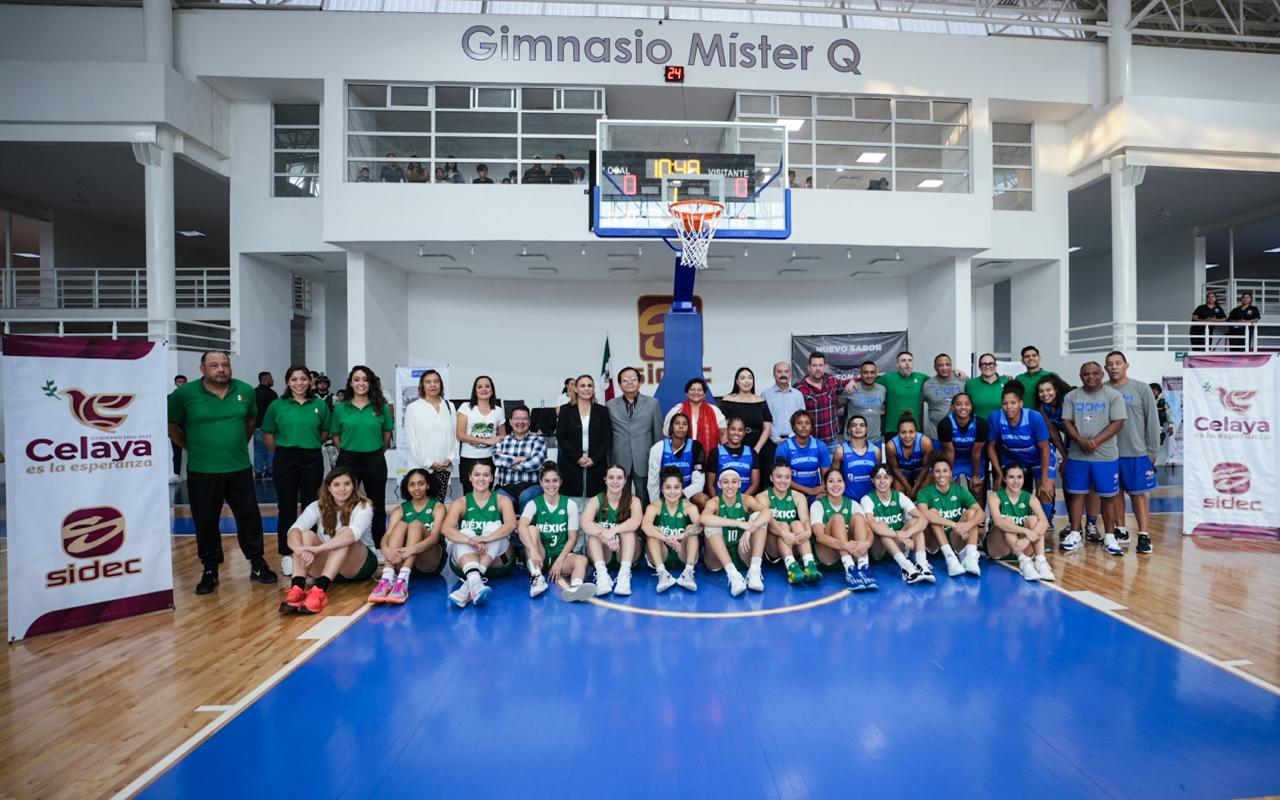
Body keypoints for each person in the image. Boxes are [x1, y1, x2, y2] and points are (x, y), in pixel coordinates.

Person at [168, 350, 276, 594]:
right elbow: (172, 427)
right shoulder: (184, 394)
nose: (221, 369)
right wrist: (190, 446)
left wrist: (237, 445)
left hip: (238, 467)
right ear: (202, 369)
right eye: (214, 365)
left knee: (249, 517)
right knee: (205, 520)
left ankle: (257, 563)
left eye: (225, 365)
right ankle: (210, 569)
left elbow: (250, 423)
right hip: (202, 470)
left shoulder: (246, 391)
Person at [277, 467, 379, 615]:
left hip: (358, 566)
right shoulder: (316, 506)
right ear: (329, 488)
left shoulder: (364, 505)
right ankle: (297, 588)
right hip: (328, 566)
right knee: (304, 534)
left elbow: (352, 535)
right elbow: (293, 531)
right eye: (337, 485)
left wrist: (318, 550)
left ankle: (320, 591)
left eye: (347, 484)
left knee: (344, 534)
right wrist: (299, 550)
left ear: (354, 486)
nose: (342, 489)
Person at [261, 364, 330, 577]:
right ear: (288, 382)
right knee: (287, 507)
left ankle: (309, 550)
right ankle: (288, 554)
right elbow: (269, 435)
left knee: (311, 506)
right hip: (285, 458)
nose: (299, 383)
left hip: (311, 458)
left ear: (310, 381)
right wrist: (285, 450)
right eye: (294, 379)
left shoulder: (319, 405)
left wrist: (307, 444)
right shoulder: (277, 405)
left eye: (303, 379)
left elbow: (325, 432)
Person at [1059, 361, 1126, 555]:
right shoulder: (1072, 396)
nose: (1090, 377)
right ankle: (1075, 533)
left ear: (1102, 374)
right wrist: (1080, 440)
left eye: (1095, 373)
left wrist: (1095, 441)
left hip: (1105, 456)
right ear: (1080, 377)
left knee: (1108, 496)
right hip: (1078, 455)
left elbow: (1118, 423)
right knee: (1076, 494)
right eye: (1086, 374)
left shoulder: (1113, 395)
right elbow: (1066, 421)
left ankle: (1110, 537)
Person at [331, 365, 394, 548]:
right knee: (345, 504)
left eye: (365, 379)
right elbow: (336, 436)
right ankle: (346, 545)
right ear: (351, 383)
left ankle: (379, 545)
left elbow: (387, 435)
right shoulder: (341, 408)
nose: (361, 383)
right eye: (357, 379)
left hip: (375, 459)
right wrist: (347, 450)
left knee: (377, 505)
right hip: (348, 460)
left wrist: (374, 451)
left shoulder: (381, 407)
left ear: (371, 383)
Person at [1105, 351, 1161, 555]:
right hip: (1110, 453)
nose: (1113, 367)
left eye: (1118, 363)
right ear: (1105, 368)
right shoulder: (1101, 390)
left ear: (1126, 365)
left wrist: (1153, 450)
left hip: (1137, 452)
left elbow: (1152, 420)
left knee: (1138, 495)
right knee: (1114, 493)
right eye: (1109, 364)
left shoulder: (1141, 388)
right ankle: (1121, 529)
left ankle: (1144, 535)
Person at [441, 461, 516, 609]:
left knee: (494, 527)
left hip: (498, 563)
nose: (481, 479)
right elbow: (446, 529)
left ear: (492, 478)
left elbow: (511, 525)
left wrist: (485, 538)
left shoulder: (502, 500)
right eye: (477, 474)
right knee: (464, 532)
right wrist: (470, 541)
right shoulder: (461, 502)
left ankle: (468, 585)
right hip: (465, 563)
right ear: (470, 477)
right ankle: (475, 581)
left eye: (486, 475)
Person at [518, 463, 596, 602]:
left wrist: (559, 561)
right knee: (530, 529)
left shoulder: (569, 504)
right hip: (539, 556)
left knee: (582, 560)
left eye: (555, 481)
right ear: (541, 483)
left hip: (561, 555)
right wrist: (532, 550)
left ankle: (576, 588)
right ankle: (536, 578)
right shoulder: (534, 504)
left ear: (560, 482)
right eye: (547, 481)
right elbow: (521, 526)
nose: (551, 485)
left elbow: (573, 538)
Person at [368, 469, 446, 604]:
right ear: (407, 487)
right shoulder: (399, 509)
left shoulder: (438, 507)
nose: (416, 488)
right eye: (412, 484)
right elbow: (387, 535)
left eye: (421, 483)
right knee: (400, 526)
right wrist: (385, 549)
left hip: (430, 562)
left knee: (415, 524)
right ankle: (387, 579)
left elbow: (434, 538)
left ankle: (403, 581)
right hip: (403, 558)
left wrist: (413, 549)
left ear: (428, 485)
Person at [986, 383, 1057, 521]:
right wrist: (1000, 474)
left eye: (1013, 403)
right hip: (1013, 458)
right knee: (1007, 490)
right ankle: (1013, 522)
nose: (1009, 406)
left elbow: (1045, 449)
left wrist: (1044, 480)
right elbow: (990, 447)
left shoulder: (1034, 417)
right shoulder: (995, 418)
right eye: (1005, 403)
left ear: (1021, 403)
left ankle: (1044, 523)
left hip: (1039, 457)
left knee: (1045, 492)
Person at [700, 469, 770, 595]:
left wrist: (749, 530)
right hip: (717, 558)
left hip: (743, 551)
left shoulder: (746, 500)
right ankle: (733, 574)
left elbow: (767, 512)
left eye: (734, 482)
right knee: (710, 524)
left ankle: (754, 570)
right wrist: (738, 523)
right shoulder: (714, 502)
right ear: (719, 485)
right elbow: (703, 518)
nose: (730, 486)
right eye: (725, 482)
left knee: (759, 517)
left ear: (739, 484)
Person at [914, 454, 984, 578]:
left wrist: (968, 524)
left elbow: (981, 513)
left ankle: (971, 558)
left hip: (955, 537)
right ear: (932, 473)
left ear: (951, 473)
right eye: (938, 471)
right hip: (934, 542)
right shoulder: (925, 492)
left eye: (945, 471)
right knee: (932, 513)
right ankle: (950, 558)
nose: (941, 475)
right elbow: (923, 513)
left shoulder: (959, 490)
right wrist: (953, 524)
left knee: (972, 513)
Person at [860, 464, 932, 584]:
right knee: (881, 526)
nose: (882, 481)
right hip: (880, 549)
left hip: (900, 544)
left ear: (892, 480)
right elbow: (871, 524)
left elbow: (923, 519)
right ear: (872, 480)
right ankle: (906, 567)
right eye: (878, 478)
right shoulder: (867, 499)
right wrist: (897, 534)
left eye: (886, 477)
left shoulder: (899, 496)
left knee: (915, 521)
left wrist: (908, 533)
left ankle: (921, 564)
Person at [581, 464, 644, 596]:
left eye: (619, 478)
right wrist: (604, 534)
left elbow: (635, 521)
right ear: (605, 480)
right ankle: (602, 576)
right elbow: (585, 523)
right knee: (594, 534)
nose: (615, 482)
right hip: (604, 553)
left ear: (625, 480)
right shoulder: (596, 500)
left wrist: (614, 530)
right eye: (611, 477)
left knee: (628, 531)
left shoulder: (634, 500)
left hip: (627, 554)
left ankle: (624, 576)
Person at [755, 459, 821, 585]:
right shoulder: (762, 497)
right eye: (779, 477)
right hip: (773, 548)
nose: (783, 481)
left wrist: (808, 532)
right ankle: (791, 567)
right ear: (771, 478)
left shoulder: (798, 496)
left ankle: (809, 564)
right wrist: (783, 533)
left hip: (795, 543)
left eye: (787, 477)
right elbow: (768, 521)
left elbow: (805, 519)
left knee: (797, 524)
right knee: (783, 524)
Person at [606, 366, 664, 505]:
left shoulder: (652, 403)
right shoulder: (610, 405)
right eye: (625, 380)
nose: (629, 382)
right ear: (620, 384)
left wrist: (658, 459)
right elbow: (608, 436)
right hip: (619, 458)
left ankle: (645, 526)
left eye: (633, 379)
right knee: (619, 499)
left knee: (644, 498)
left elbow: (658, 434)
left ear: (639, 382)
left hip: (644, 459)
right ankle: (622, 525)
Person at [809, 470, 876, 590]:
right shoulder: (817, 505)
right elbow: (819, 536)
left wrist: (867, 544)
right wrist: (846, 545)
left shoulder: (853, 504)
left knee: (858, 517)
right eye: (831, 481)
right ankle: (849, 569)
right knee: (837, 518)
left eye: (839, 481)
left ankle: (863, 567)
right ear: (825, 485)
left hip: (853, 552)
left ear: (845, 484)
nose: (835, 485)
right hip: (828, 556)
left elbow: (869, 531)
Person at [989, 464, 1055, 581]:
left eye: (1019, 477)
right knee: (1006, 521)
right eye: (1011, 477)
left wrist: (1027, 538)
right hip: (1000, 548)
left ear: (1024, 479)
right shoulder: (995, 496)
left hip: (1024, 546)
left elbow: (1044, 522)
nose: (1015, 481)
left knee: (1034, 520)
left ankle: (1040, 561)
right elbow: (998, 522)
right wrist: (1026, 531)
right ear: (1004, 479)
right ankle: (1024, 562)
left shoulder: (1030, 498)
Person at [642, 466, 703, 593]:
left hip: (683, 554)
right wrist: (665, 538)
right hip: (661, 553)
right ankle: (662, 574)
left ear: (681, 489)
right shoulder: (655, 506)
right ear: (662, 490)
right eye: (668, 487)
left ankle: (688, 572)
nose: (672, 492)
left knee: (692, 530)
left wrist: (681, 535)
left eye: (676, 487)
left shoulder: (689, 507)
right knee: (653, 531)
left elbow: (700, 526)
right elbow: (645, 526)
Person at [403, 369, 458, 502]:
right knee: (420, 510)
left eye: (436, 381)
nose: (433, 385)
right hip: (420, 469)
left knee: (438, 508)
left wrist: (450, 458)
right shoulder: (413, 408)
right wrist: (429, 463)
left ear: (441, 385)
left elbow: (456, 436)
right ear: (422, 386)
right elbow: (411, 441)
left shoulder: (449, 406)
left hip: (443, 469)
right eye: (428, 382)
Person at [556, 374, 613, 502]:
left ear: (593, 389)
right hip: (571, 461)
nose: (586, 389)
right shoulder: (566, 410)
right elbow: (561, 437)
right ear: (575, 389)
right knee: (573, 501)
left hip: (596, 462)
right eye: (582, 386)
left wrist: (594, 458)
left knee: (595, 501)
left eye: (590, 385)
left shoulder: (602, 411)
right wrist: (577, 458)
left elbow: (606, 438)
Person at [935, 392, 987, 511]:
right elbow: (949, 452)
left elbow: (976, 452)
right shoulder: (945, 424)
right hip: (954, 459)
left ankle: (979, 522)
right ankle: (954, 519)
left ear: (971, 406)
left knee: (977, 489)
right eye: (958, 404)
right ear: (953, 407)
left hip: (972, 459)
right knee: (950, 490)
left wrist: (976, 475)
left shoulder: (981, 424)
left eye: (967, 404)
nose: (963, 407)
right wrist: (949, 474)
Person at [456, 375, 506, 496]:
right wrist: (486, 441)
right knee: (469, 493)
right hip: (468, 458)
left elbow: (503, 436)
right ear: (475, 390)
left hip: (489, 458)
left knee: (486, 493)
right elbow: (460, 435)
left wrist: (497, 441)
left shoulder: (498, 411)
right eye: (480, 386)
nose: (484, 389)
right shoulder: (466, 407)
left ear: (492, 390)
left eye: (487, 386)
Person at [646, 413, 708, 508]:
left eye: (685, 424)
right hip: (666, 494)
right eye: (677, 423)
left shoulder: (696, 447)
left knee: (703, 499)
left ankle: (700, 522)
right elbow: (653, 481)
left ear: (688, 428)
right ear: (671, 427)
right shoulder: (658, 448)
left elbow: (698, 484)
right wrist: (656, 504)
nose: (681, 427)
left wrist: (680, 493)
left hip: (687, 494)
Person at [492, 405, 547, 511]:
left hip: (531, 486)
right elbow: (497, 459)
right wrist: (521, 458)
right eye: (517, 418)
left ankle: (524, 526)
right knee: (498, 499)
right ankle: (508, 527)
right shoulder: (502, 440)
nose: (520, 422)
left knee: (526, 497)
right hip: (506, 487)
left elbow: (536, 462)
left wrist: (508, 461)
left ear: (529, 422)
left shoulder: (538, 440)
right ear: (510, 421)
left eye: (524, 418)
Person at [717, 366, 773, 472]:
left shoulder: (760, 401)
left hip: (758, 444)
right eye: (742, 378)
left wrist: (757, 449)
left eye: (750, 378)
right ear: (737, 382)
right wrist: (728, 449)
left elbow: (767, 428)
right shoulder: (728, 400)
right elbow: (723, 428)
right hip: (735, 442)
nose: (747, 381)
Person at [796, 351, 851, 449]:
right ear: (808, 367)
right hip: (810, 442)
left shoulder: (831, 381)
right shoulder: (799, 388)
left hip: (831, 441)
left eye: (820, 365)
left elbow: (849, 383)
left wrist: (854, 381)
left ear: (825, 367)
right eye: (814, 365)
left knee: (831, 465)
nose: (818, 369)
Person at [663, 377, 726, 458]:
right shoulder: (677, 410)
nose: (696, 392)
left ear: (704, 394)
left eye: (699, 390)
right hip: (682, 459)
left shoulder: (714, 411)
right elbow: (667, 434)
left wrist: (725, 455)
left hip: (710, 459)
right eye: (692, 390)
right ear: (687, 393)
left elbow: (723, 434)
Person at [773, 410, 831, 499]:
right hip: (790, 492)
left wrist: (822, 490)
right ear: (793, 427)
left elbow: (826, 475)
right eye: (799, 423)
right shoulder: (783, 448)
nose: (804, 426)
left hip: (815, 491)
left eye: (807, 423)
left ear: (811, 427)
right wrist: (808, 491)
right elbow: (781, 478)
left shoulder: (820, 446)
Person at [876, 351, 929, 433]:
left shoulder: (920, 377)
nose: (907, 363)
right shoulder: (888, 377)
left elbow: (939, 380)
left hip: (914, 428)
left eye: (910, 360)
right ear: (897, 364)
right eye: (903, 360)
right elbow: (867, 379)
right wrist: (854, 381)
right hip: (893, 428)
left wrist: (954, 373)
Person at [831, 415, 880, 504]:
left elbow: (879, 477)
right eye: (854, 425)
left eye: (861, 425)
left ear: (866, 430)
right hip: (849, 500)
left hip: (871, 500)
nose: (858, 428)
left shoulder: (876, 451)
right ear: (849, 430)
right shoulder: (840, 451)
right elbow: (833, 476)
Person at [706, 418, 761, 497]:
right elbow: (710, 484)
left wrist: (741, 500)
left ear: (744, 433)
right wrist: (718, 501)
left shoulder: (751, 452)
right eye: (733, 429)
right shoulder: (716, 452)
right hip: (721, 500)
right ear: (727, 430)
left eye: (740, 430)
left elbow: (755, 484)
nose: (736, 433)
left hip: (745, 499)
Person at [762, 360, 806, 456]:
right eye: (779, 371)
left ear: (790, 374)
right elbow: (765, 420)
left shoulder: (798, 395)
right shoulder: (765, 395)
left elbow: (802, 419)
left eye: (786, 371)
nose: (783, 374)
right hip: (772, 443)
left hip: (795, 441)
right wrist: (776, 439)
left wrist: (791, 437)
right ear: (774, 374)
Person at [884, 413, 934, 495]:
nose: (907, 436)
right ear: (898, 433)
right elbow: (895, 469)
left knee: (925, 489)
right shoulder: (891, 446)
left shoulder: (925, 443)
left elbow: (926, 467)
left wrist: (916, 488)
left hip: (920, 470)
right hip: (902, 471)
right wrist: (908, 488)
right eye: (903, 432)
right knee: (897, 491)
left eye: (911, 432)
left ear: (916, 431)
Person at [921, 354, 965, 439]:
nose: (944, 368)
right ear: (935, 367)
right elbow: (917, 405)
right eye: (940, 365)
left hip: (959, 435)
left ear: (951, 366)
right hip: (935, 435)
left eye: (947, 365)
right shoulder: (927, 384)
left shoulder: (963, 380)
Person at [844, 361, 887, 444]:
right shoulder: (852, 388)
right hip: (853, 440)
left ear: (876, 374)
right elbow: (836, 407)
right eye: (865, 372)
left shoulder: (882, 389)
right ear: (860, 374)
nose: (869, 375)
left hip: (875, 440)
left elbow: (883, 407)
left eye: (872, 372)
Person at [965, 353, 1010, 422]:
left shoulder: (1006, 381)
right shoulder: (970, 384)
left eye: (991, 363)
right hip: (978, 427)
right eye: (984, 364)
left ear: (995, 366)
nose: (987, 366)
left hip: (1002, 428)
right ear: (979, 367)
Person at [252, 371, 278, 478]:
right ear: (266, 379)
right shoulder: (272, 394)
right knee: (270, 449)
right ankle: (270, 470)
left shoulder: (253, 393)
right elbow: (276, 412)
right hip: (269, 427)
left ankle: (258, 471)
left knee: (258, 449)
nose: (273, 380)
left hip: (257, 426)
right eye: (271, 378)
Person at [1014, 345, 1055, 412]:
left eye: (1034, 355)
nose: (1031, 358)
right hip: (1025, 417)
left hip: (1046, 419)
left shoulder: (1050, 376)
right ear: (1022, 361)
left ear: (1039, 358)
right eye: (1027, 356)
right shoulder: (1019, 378)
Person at [171, 374, 187, 481]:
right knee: (177, 453)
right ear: (175, 383)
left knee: (194, 452)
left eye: (183, 382)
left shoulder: (191, 398)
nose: (181, 384)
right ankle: (176, 474)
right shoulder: (169, 397)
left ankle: (193, 473)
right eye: (179, 382)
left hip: (190, 429)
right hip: (175, 429)